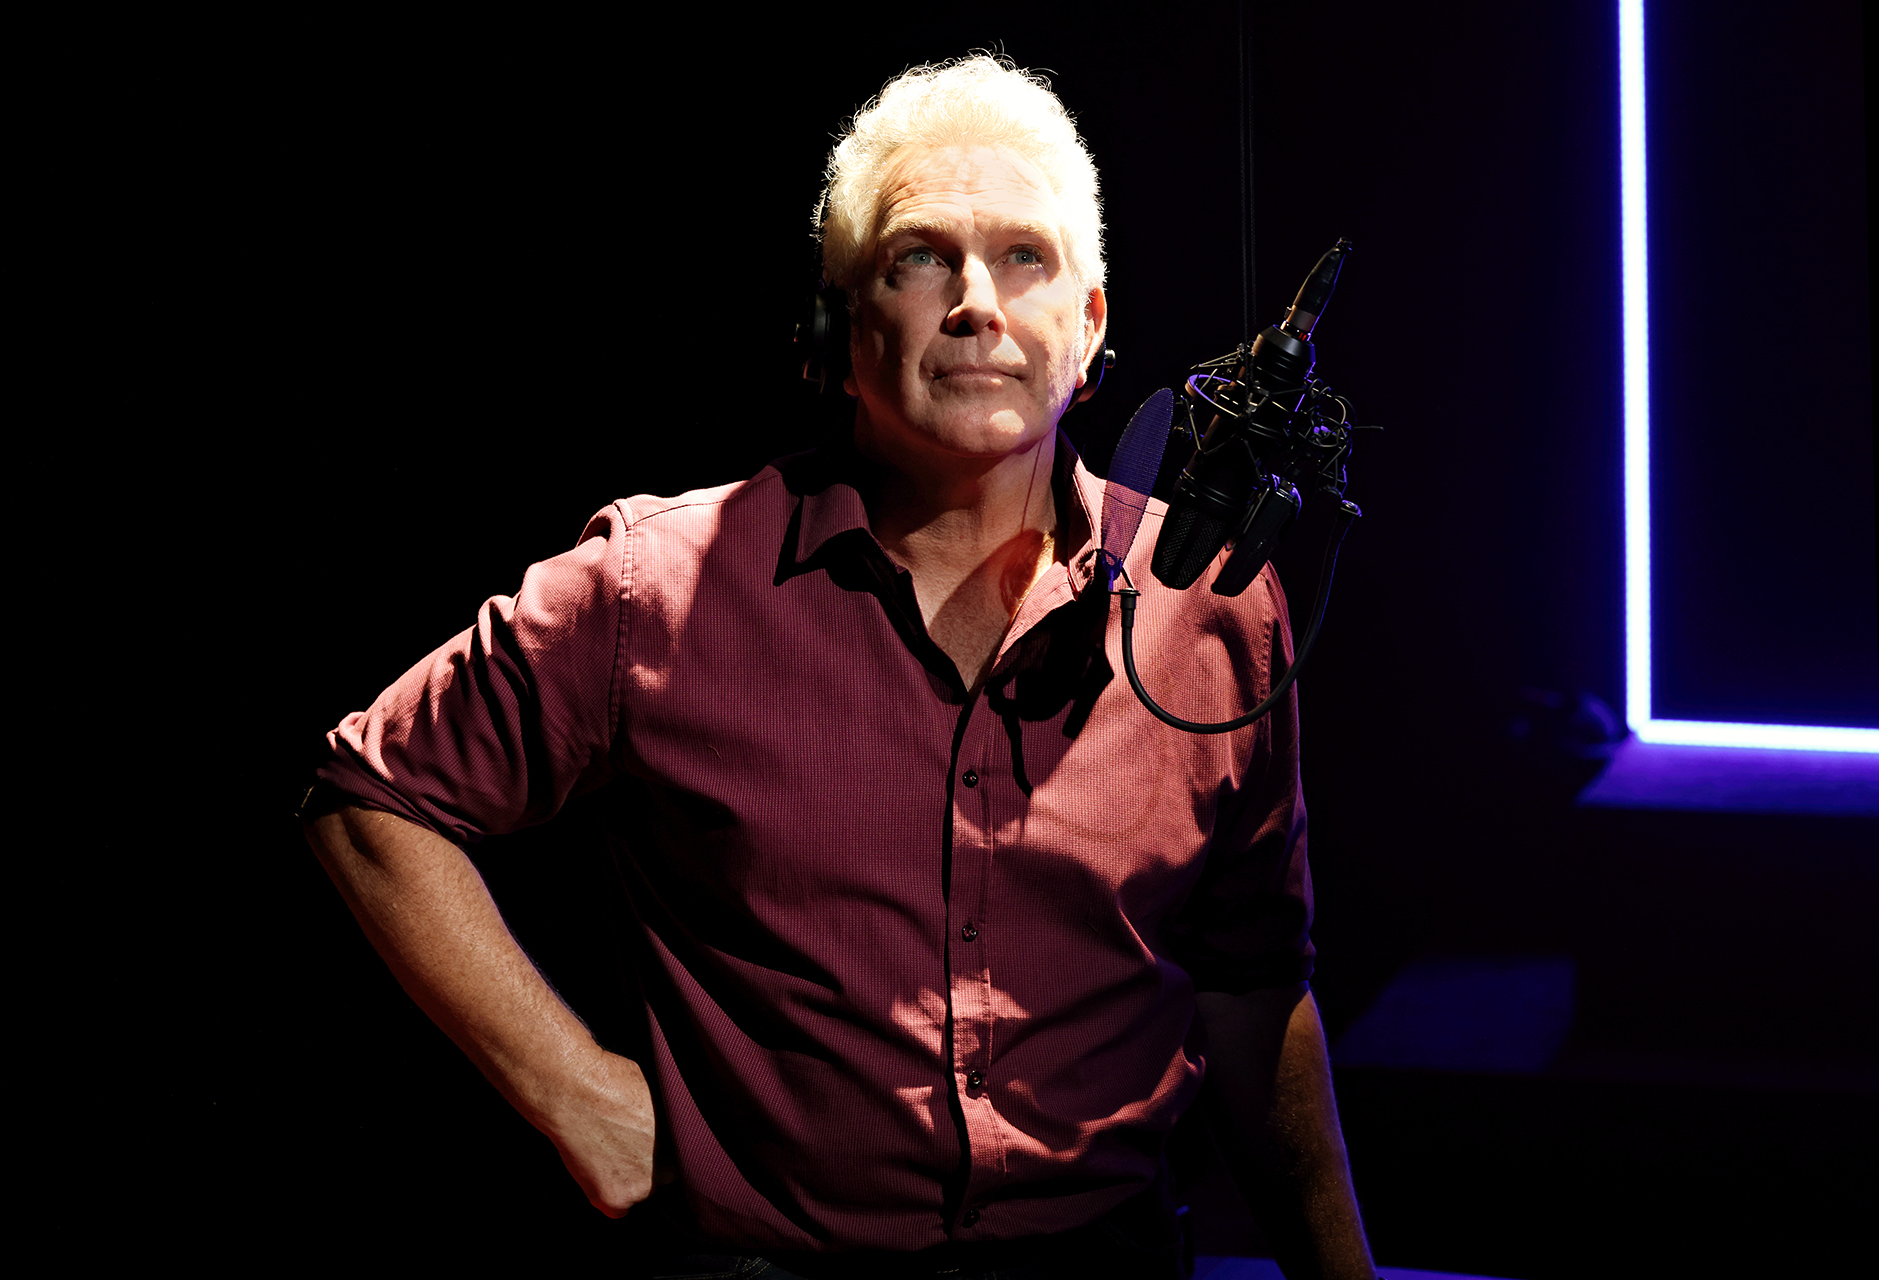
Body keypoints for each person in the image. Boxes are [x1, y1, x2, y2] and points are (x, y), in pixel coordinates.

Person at [303, 55, 1377, 1280]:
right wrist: (583, 1100)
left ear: (1089, 324)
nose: (978, 300)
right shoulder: (653, 587)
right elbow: (367, 803)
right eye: (922, 257)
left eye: (1026, 257)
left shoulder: (1214, 616)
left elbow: (1255, 989)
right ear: (838, 325)